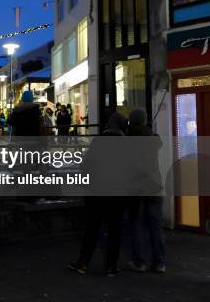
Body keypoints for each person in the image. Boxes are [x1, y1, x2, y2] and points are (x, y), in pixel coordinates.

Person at [68, 112, 129, 277]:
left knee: (92, 228)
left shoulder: (99, 142)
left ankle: (83, 262)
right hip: (117, 195)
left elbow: (86, 166)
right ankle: (111, 266)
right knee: (115, 230)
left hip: (96, 193)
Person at [126, 108, 166, 274]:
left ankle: (139, 262)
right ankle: (159, 263)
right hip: (154, 187)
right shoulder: (153, 139)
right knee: (156, 227)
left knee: (137, 225)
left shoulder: (127, 141)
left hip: (137, 188)